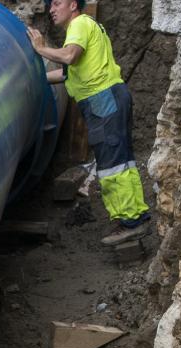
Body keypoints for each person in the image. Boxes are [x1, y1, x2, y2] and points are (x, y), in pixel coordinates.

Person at [28, 0, 151, 246]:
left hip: (103, 98)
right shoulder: (85, 28)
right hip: (109, 97)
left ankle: (131, 223)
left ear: (73, 5)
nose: (51, 9)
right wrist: (33, 76)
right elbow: (66, 73)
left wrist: (40, 49)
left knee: (112, 163)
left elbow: (70, 57)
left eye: (57, 3)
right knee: (120, 161)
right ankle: (134, 217)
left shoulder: (79, 24)